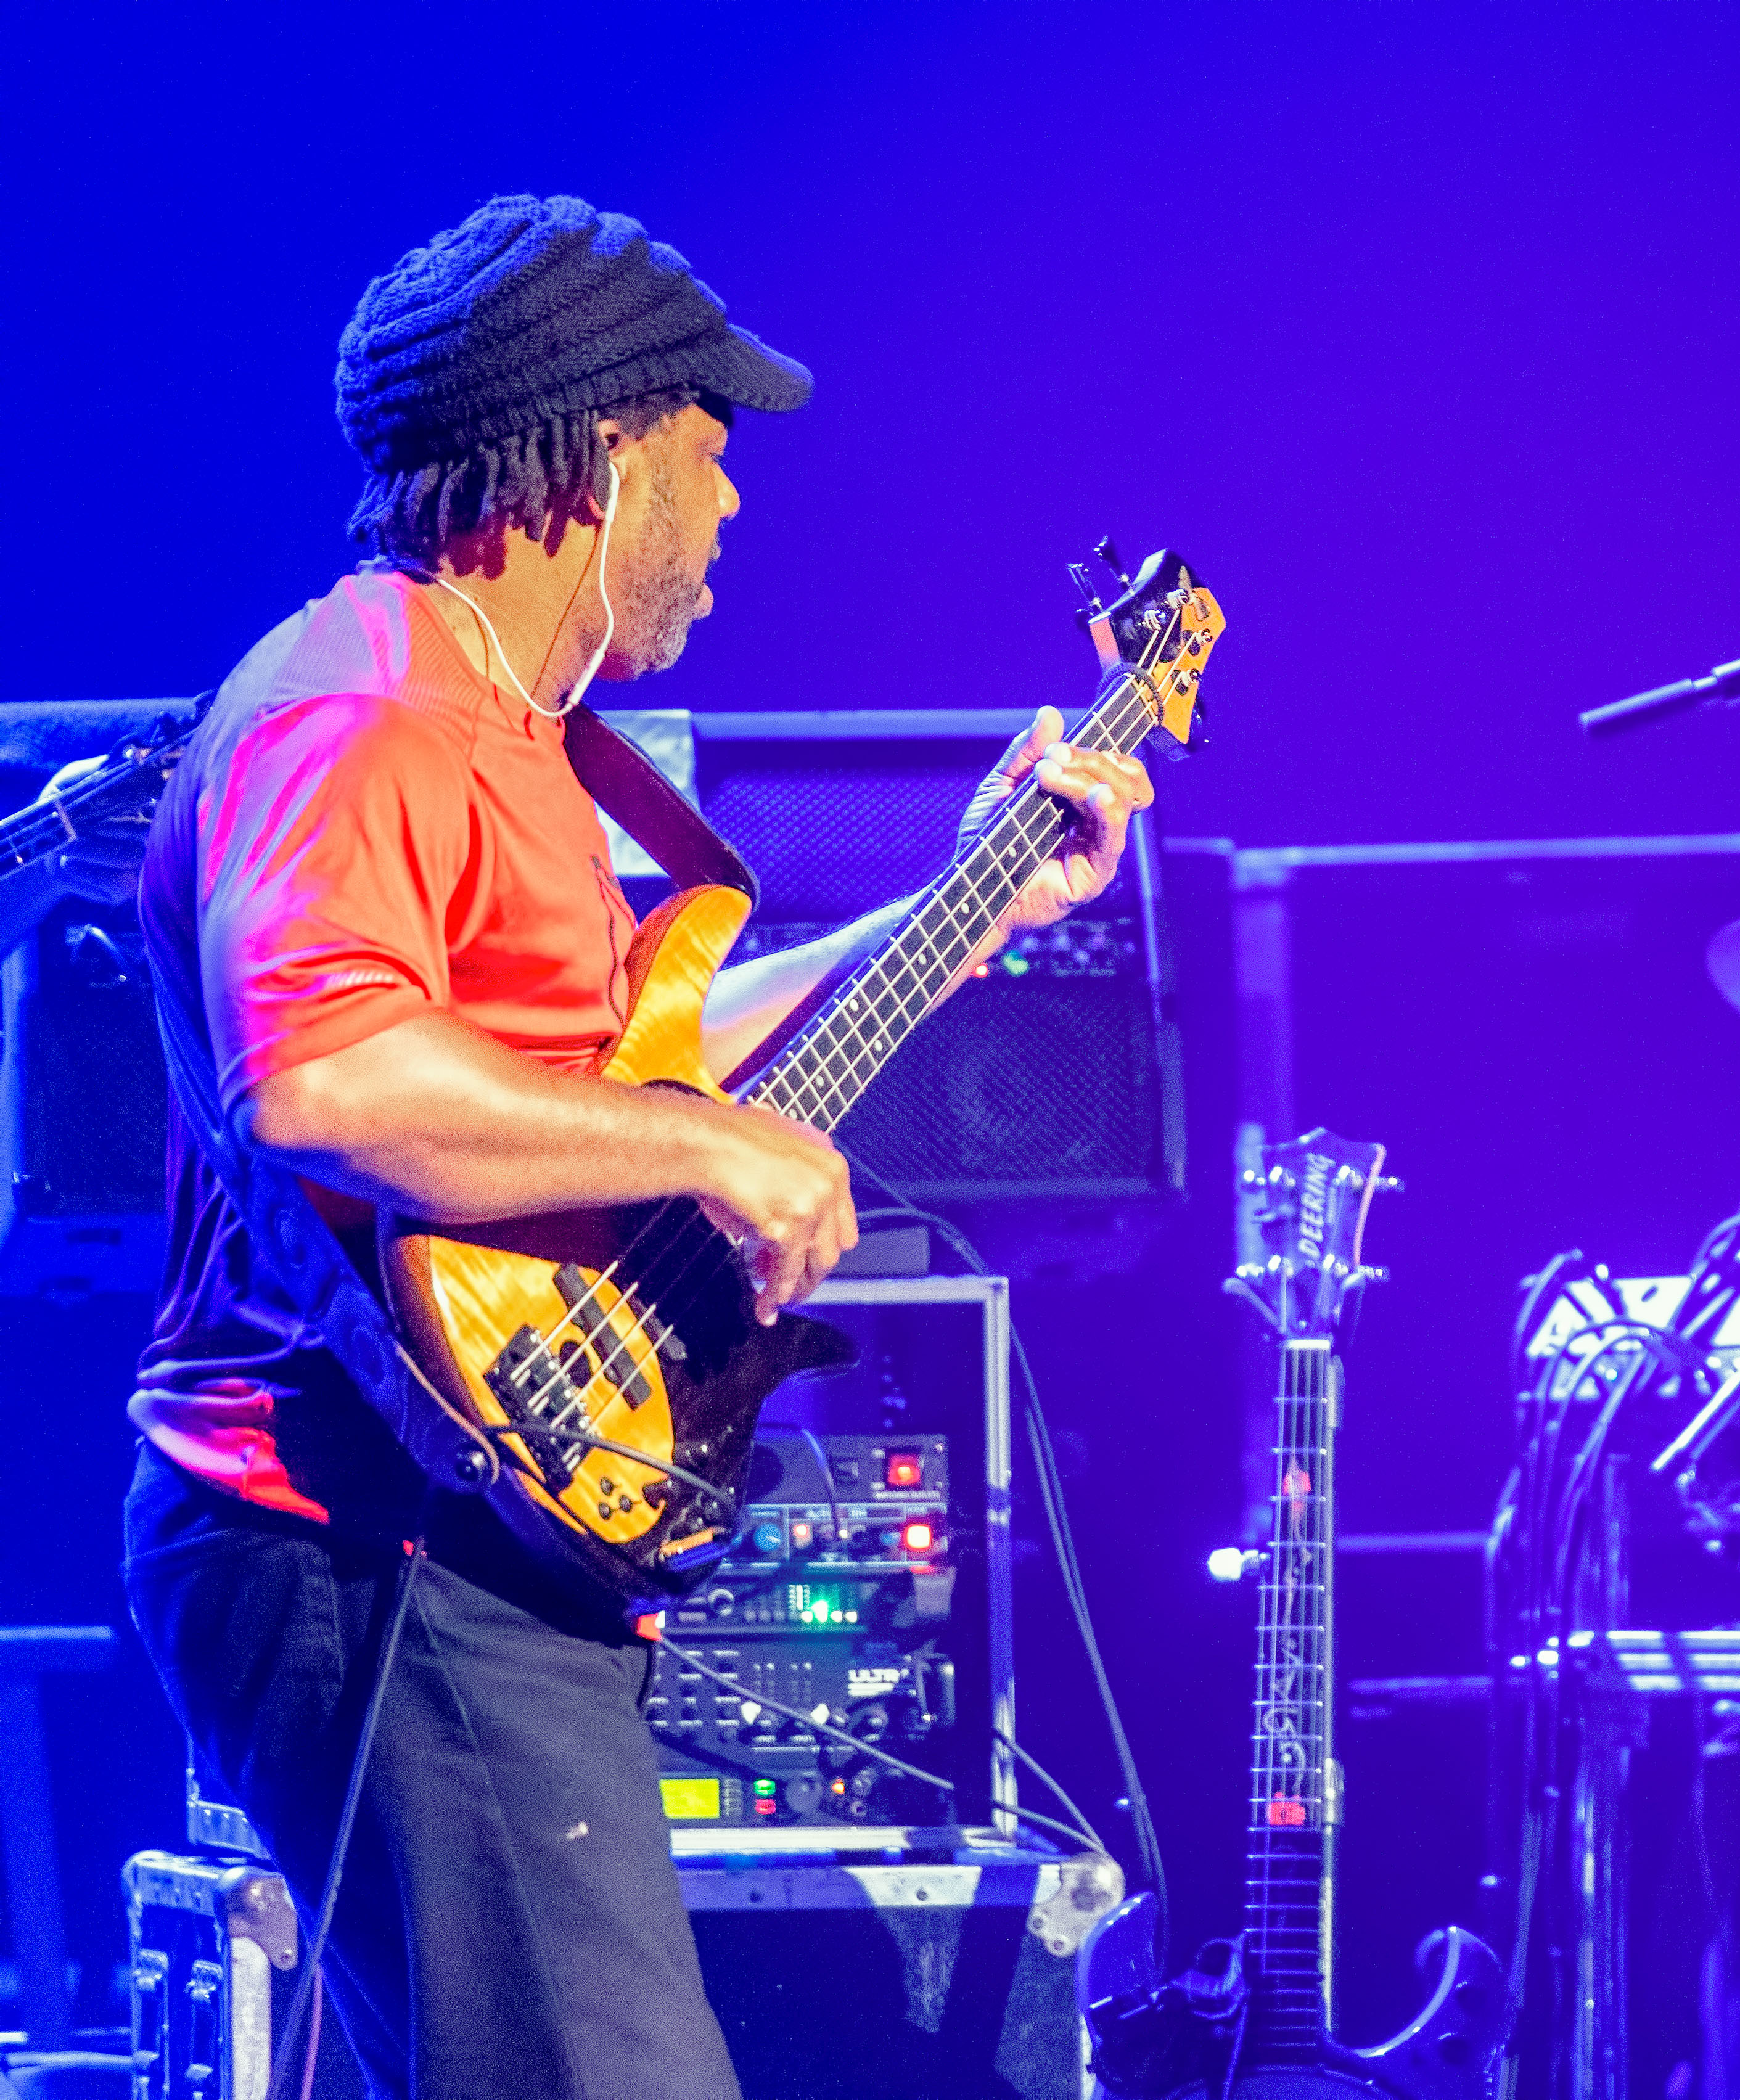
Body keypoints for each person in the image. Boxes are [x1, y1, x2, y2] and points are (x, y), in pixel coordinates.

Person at [121, 194, 1155, 2099]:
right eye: (711, 450)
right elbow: (326, 1083)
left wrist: (971, 899)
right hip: (366, 1539)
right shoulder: (367, 711)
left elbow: (631, 1069)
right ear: (600, 461)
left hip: (463, 1525)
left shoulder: (516, 728)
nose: (737, 506)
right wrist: (722, 1165)